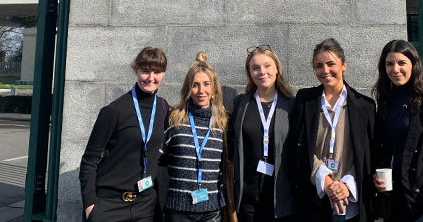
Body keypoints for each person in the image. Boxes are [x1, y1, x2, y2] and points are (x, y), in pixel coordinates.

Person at [291, 38, 376, 222]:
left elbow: (367, 155)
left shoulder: (365, 106)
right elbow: (298, 147)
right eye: (319, 66)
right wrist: (325, 180)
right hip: (313, 199)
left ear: (344, 65)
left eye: (331, 64)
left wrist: (345, 185)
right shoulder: (305, 100)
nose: (325, 71)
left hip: (350, 202)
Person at [79, 47, 169, 222]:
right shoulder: (114, 110)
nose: (151, 77)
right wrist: (90, 205)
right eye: (145, 71)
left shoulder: (163, 107)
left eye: (157, 72)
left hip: (144, 205)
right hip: (109, 204)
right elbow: (89, 160)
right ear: (135, 70)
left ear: (164, 73)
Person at [371, 40, 423, 222]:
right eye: (389, 64)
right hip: (392, 200)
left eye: (402, 63)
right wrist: (376, 174)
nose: (395, 69)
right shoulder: (386, 102)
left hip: (420, 202)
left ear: (414, 65)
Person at [228, 45, 296, 222]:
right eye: (255, 68)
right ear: (250, 73)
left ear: (277, 69)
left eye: (267, 66)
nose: (262, 72)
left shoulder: (291, 105)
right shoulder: (242, 104)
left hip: (281, 200)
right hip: (248, 199)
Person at [159, 52, 228, 222]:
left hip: (212, 210)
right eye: (195, 85)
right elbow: (160, 158)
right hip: (177, 209)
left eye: (206, 84)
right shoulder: (174, 119)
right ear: (188, 89)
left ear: (214, 88)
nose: (201, 91)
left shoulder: (224, 123)